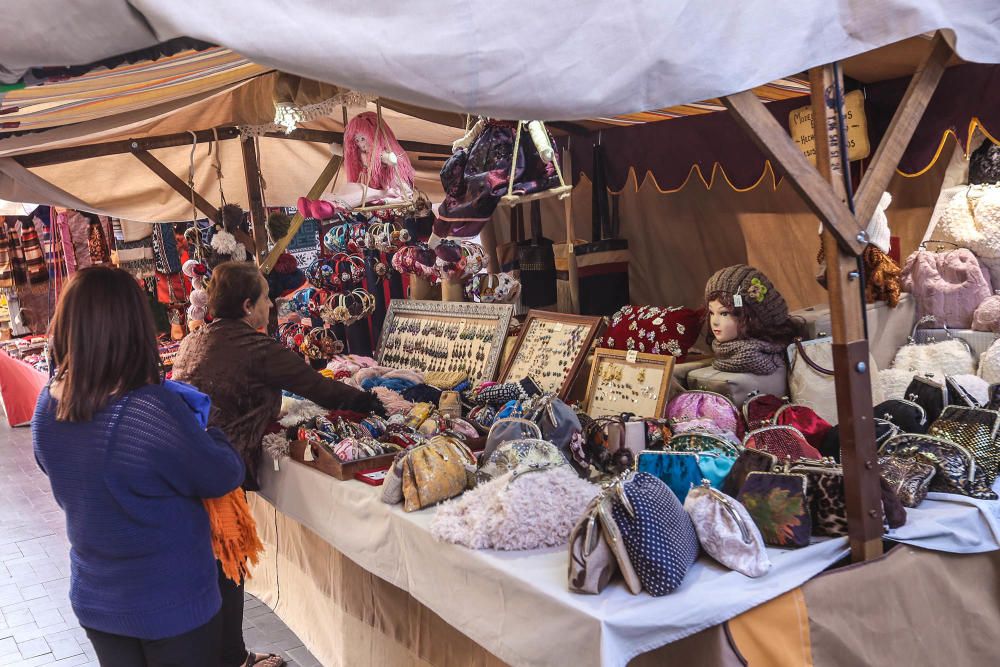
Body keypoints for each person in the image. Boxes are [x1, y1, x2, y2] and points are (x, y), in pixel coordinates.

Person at [172, 261, 385, 667]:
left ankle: (225, 656)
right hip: (215, 469)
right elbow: (316, 387)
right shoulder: (256, 347)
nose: (272, 306)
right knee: (225, 562)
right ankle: (232, 660)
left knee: (214, 565)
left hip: (185, 462)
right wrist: (369, 401)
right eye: (267, 298)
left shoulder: (195, 340)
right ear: (249, 305)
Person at [32, 266, 245, 666]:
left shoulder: (47, 406)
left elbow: (56, 470)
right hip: (171, 603)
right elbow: (222, 474)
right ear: (131, 325)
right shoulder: (148, 409)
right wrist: (210, 430)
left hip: (98, 598)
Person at [704, 264, 805, 375]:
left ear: (752, 317)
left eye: (724, 313)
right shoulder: (721, 354)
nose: (714, 322)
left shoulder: (770, 358)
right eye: (712, 313)